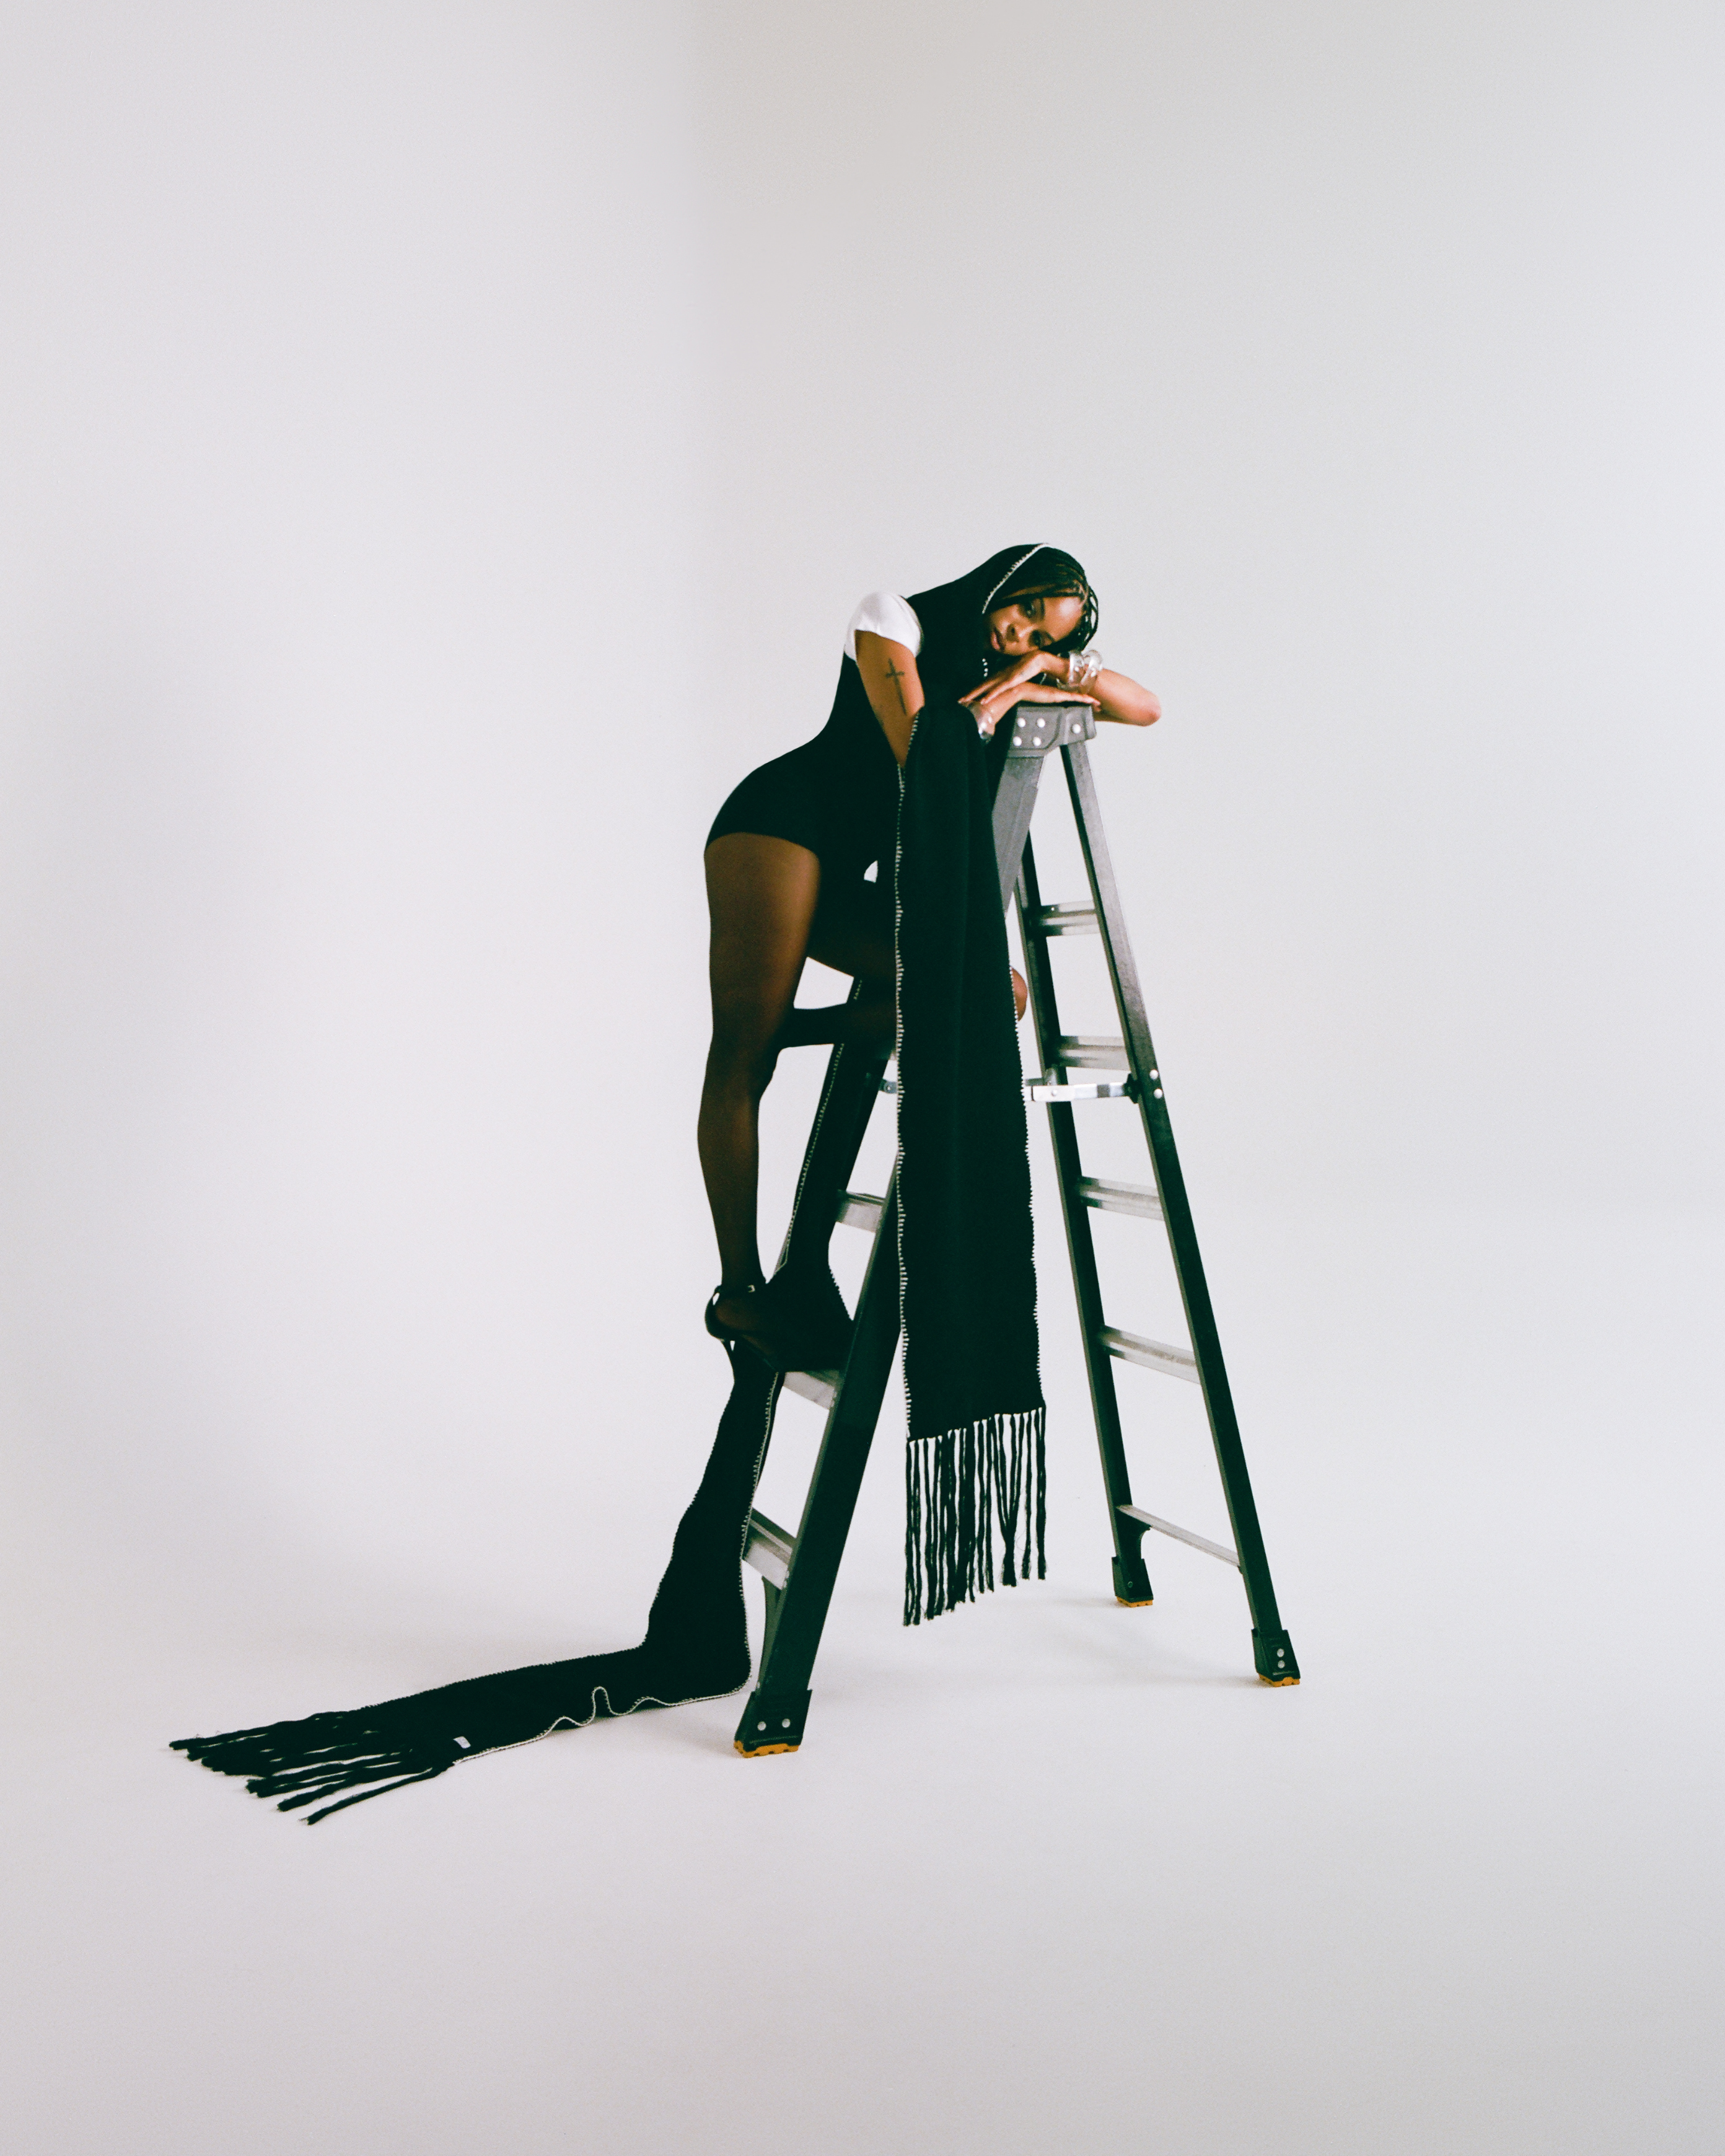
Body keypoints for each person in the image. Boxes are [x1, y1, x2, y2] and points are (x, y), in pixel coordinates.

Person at [699, 543, 1161, 1370]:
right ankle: (739, 1291)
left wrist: (1039, 673)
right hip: (777, 830)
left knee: (994, 991)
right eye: (1021, 612)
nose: (1016, 635)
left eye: (1036, 637)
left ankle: (793, 1029)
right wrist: (1016, 685)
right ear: (1006, 580)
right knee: (742, 1061)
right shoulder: (894, 617)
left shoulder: (1005, 670)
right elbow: (920, 745)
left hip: (839, 872)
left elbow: (1144, 706)